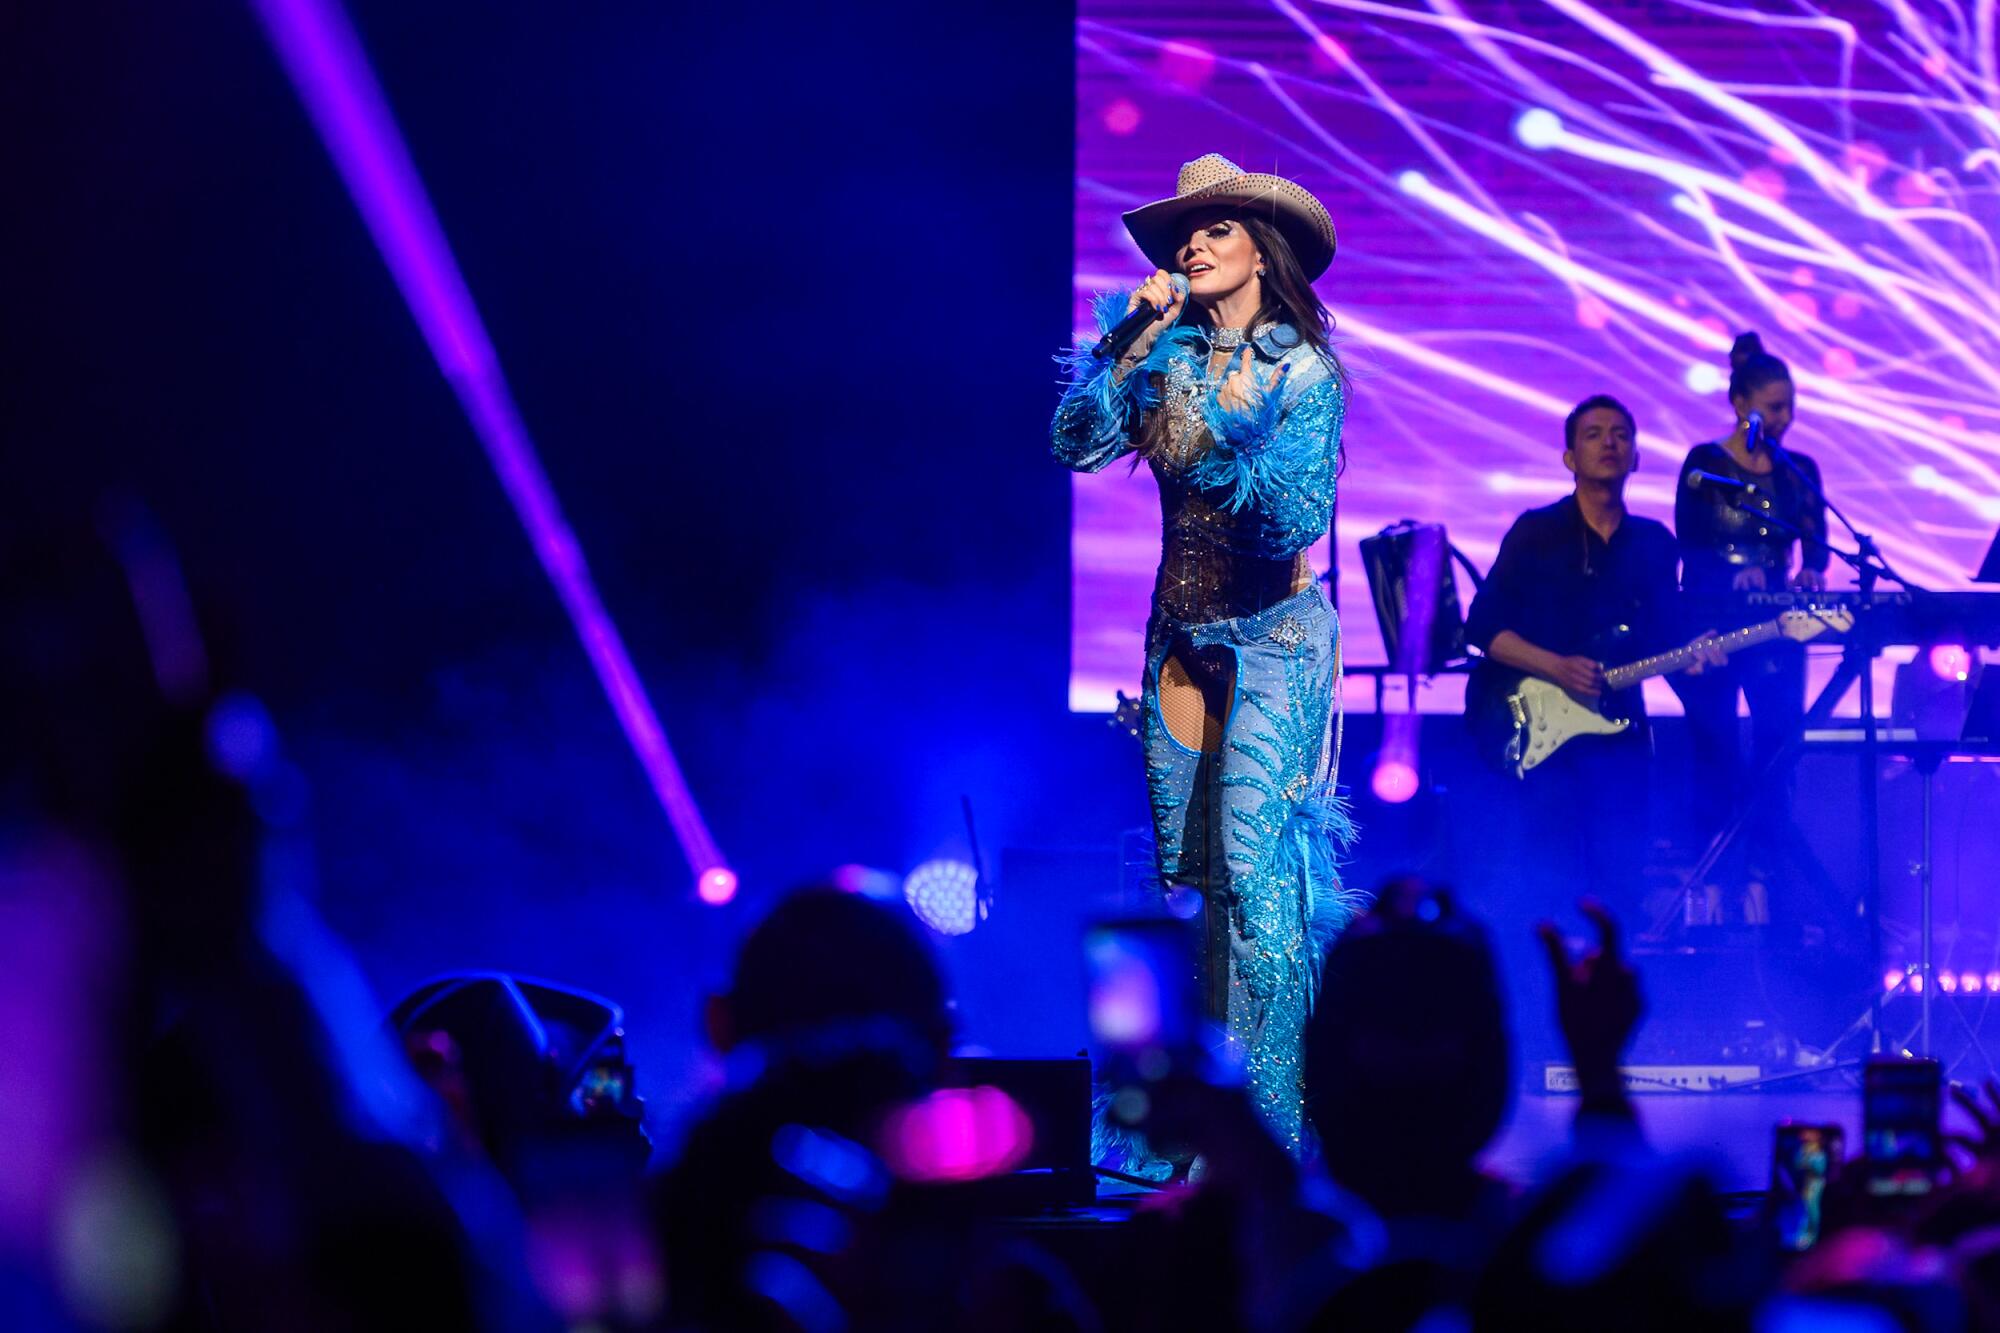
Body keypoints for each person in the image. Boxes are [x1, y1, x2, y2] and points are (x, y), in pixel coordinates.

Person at [1051, 154, 1359, 1153]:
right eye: (1183, 231)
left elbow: (1294, 516)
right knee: (1185, 885)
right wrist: (1123, 349)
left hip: (1275, 638)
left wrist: (1229, 428)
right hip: (1178, 638)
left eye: (1216, 228)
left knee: (1257, 879)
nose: (1192, 243)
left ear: (1260, 250)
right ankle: (1177, 1120)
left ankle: (1269, 1132)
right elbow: (1074, 444)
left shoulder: (1304, 372)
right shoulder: (1164, 355)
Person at [1462, 396, 1721, 930]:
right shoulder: (1537, 531)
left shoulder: (1653, 543)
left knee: (1622, 874)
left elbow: (1664, 636)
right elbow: (1482, 627)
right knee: (1546, 874)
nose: (1609, 443)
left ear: (1636, 457)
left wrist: (1694, 657)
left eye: (1621, 434)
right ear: (1569, 457)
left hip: (1618, 729)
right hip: (1540, 733)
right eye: (1594, 434)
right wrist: (1555, 666)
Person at [1672, 332, 1829, 924]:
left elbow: (1815, 544)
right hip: (1713, 624)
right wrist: (1730, 577)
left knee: (1776, 745)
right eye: (1775, 405)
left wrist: (1811, 572)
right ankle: (1712, 890)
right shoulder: (1706, 465)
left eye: (1791, 405)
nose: (1786, 418)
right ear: (1741, 404)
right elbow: (1690, 538)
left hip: (1779, 628)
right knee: (1713, 745)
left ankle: (1768, 886)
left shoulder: (1799, 470)